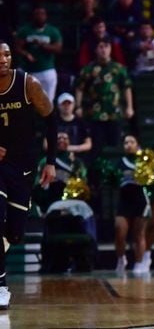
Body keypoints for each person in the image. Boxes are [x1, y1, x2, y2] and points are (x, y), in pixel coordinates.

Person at [0, 40, 57, 308]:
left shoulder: (27, 84)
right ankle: (1, 285)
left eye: (7, 54)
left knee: (14, 235)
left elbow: (50, 119)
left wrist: (51, 162)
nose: (3, 59)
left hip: (23, 164)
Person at [113, 135, 150, 274]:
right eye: (126, 142)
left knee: (139, 235)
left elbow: (151, 181)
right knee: (119, 231)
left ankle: (139, 263)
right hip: (124, 200)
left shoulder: (144, 161)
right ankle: (121, 259)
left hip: (140, 199)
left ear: (137, 145)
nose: (128, 145)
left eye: (131, 142)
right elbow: (114, 180)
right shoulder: (119, 163)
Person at [14, 6, 62, 101]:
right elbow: (17, 47)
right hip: (28, 70)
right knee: (26, 101)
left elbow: (58, 48)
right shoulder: (25, 30)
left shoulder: (52, 31)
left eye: (42, 14)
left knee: (47, 102)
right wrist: (26, 54)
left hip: (46, 70)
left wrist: (43, 45)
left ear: (46, 16)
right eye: (37, 14)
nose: (40, 16)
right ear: (33, 16)